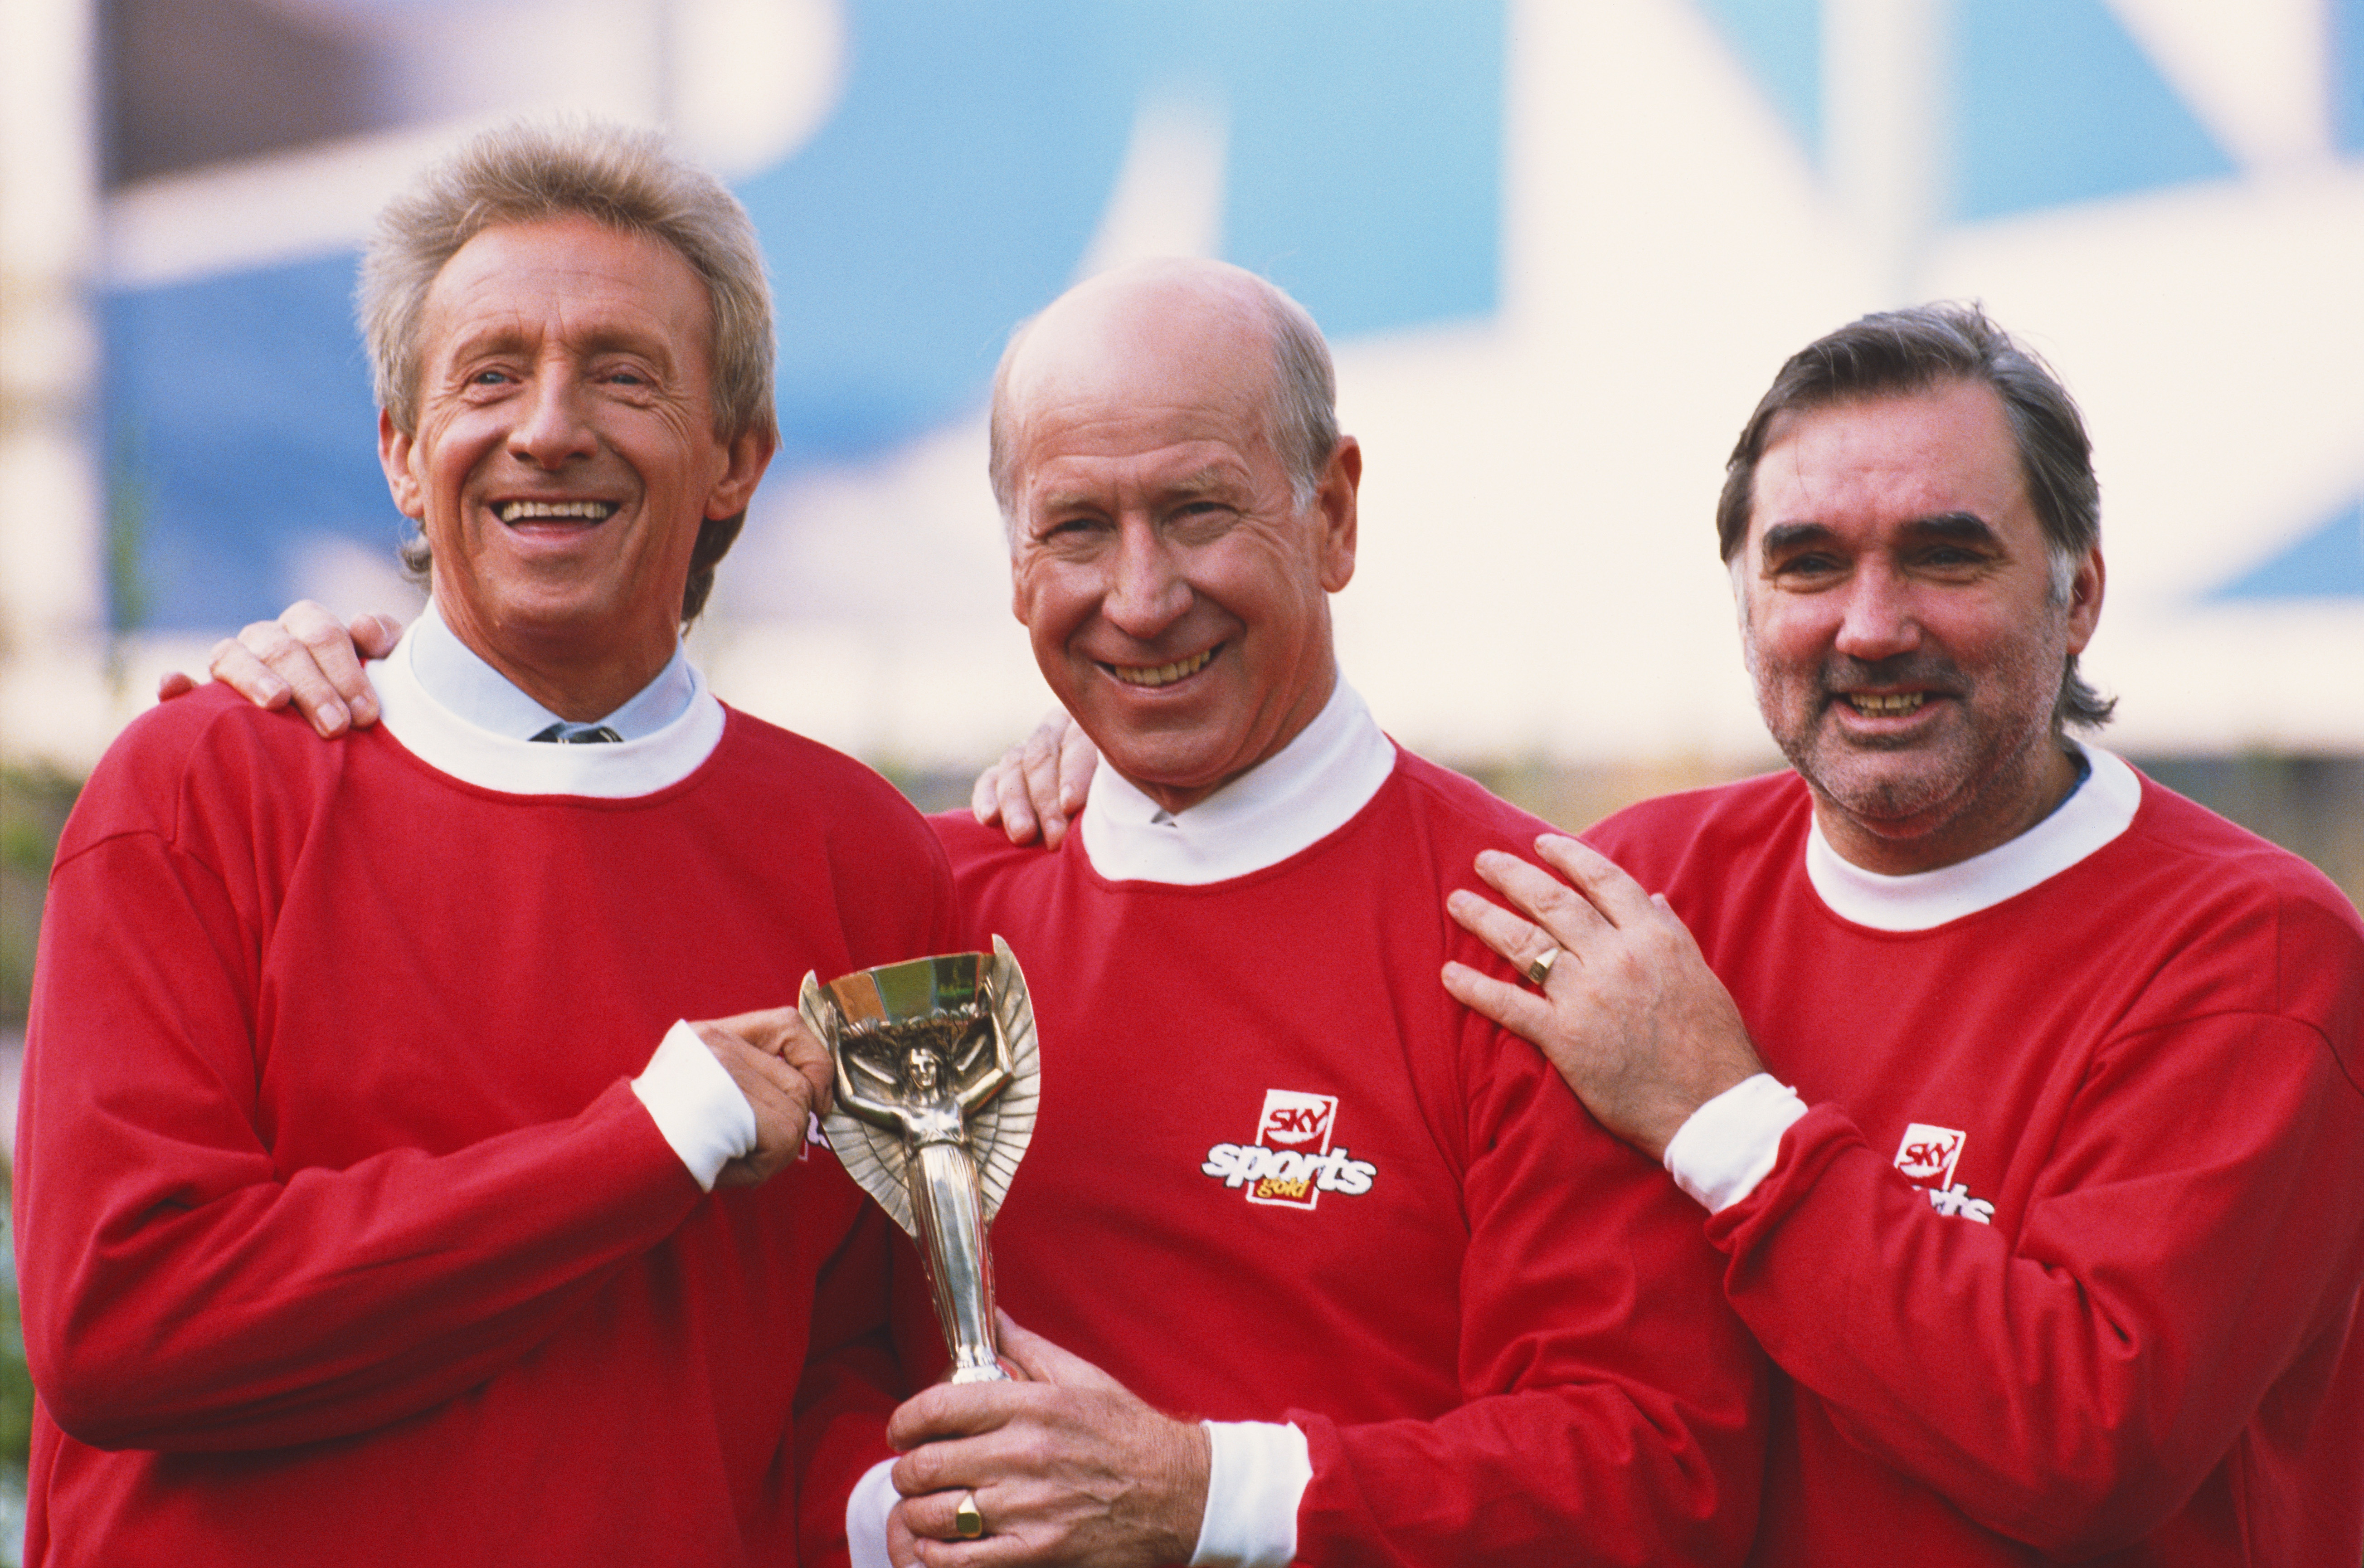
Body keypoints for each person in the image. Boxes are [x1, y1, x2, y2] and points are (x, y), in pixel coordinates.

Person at [190, 259, 1767, 1567]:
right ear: (1011, 562)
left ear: (1336, 514)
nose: (1139, 598)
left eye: (1201, 513)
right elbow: (758, 1371)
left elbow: (1650, 1466)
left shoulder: (1525, 945)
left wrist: (1200, 1493)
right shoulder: (914, 906)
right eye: (1078, 529)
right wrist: (888, 1514)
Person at [21, 121, 958, 1568]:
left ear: (736, 458)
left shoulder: (869, 861)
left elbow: (849, 1364)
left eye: (625, 374)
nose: (549, 427)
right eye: (491, 372)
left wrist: (877, 1506)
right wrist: (650, 1138)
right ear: (403, 451)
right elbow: (128, 1324)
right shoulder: (198, 790)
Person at [1432, 306, 2364, 1564]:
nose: (1871, 625)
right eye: (1808, 563)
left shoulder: (2256, 957)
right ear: (1746, 597)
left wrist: (1722, 1117)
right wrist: (1099, 803)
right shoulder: (1640, 889)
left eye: (1944, 556)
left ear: (2077, 591)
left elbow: (2088, 1446)